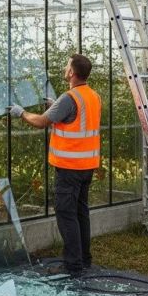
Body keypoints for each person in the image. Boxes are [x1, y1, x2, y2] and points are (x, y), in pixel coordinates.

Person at [7, 54, 101, 276]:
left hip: (69, 167)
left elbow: (41, 122)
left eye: (67, 66)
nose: (65, 68)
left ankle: (72, 265)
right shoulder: (93, 96)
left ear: (72, 73)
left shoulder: (69, 98)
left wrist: (21, 113)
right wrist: (54, 106)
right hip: (87, 165)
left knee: (66, 214)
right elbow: (75, 118)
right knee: (80, 212)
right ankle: (84, 260)